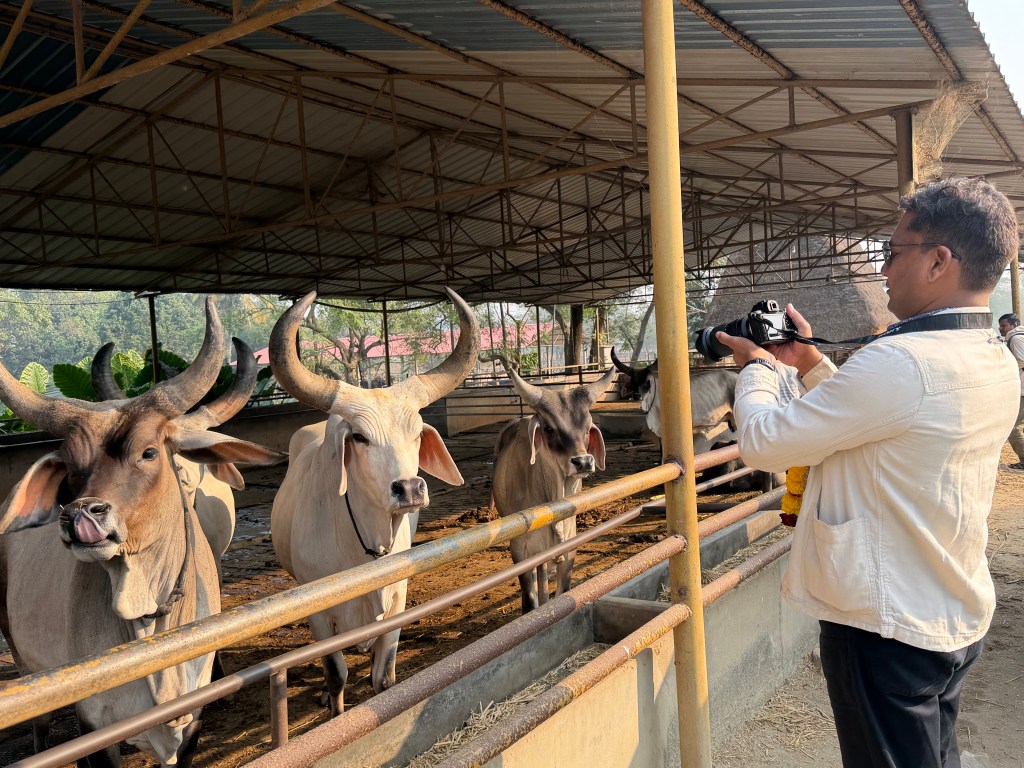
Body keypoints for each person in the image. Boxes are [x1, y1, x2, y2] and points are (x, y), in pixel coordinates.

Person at [715, 176, 1020, 768]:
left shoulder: (902, 362)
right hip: (947, 610)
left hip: (886, 630)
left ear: (938, 261)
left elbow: (762, 443)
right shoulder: (994, 355)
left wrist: (755, 370)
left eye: (893, 253)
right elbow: (881, 423)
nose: (883, 270)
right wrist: (808, 362)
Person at [998, 312, 1024, 469]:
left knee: (1010, 425)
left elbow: (1021, 361)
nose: (1001, 329)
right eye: (1000, 326)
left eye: (1004, 326)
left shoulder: (1016, 338)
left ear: (1013, 325)